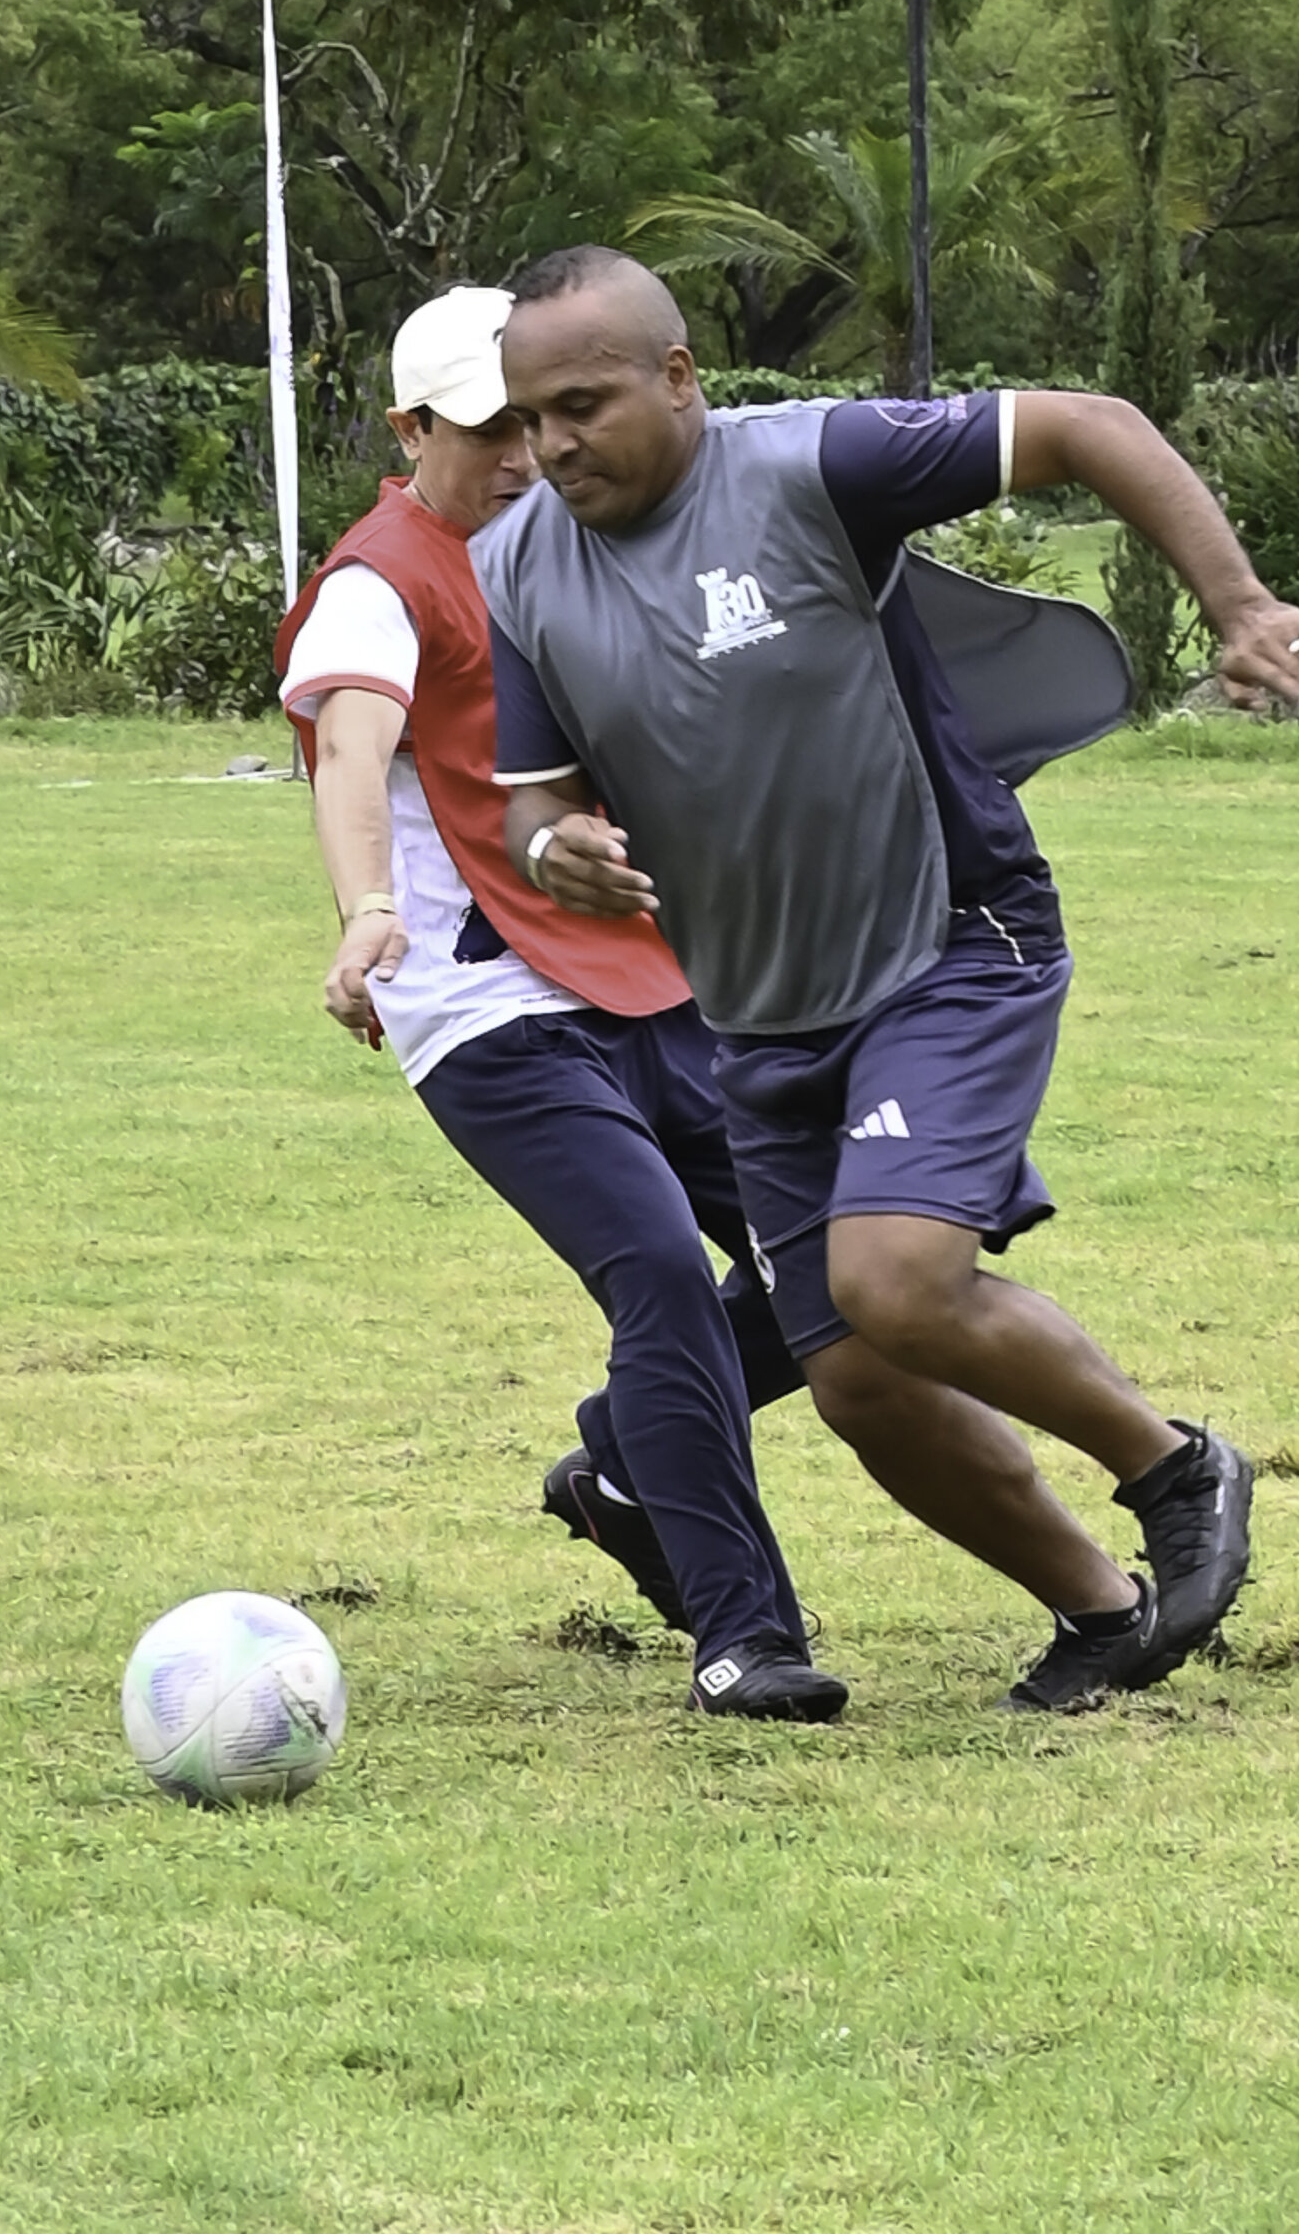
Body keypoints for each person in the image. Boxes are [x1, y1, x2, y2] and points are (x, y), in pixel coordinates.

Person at [477, 246, 1299, 1706]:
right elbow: (535, 795)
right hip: (759, 1016)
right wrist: (553, 844)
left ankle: (1177, 1470)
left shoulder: (811, 466)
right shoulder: (517, 565)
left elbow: (1091, 424)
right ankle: (1100, 1613)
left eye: (582, 405)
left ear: (679, 378)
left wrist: (1237, 604)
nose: (552, 444)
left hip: (947, 939)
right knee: (858, 1380)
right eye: (528, 418)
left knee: (896, 1281)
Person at [273, 285, 846, 1722]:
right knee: (659, 1270)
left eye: (536, 420)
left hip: (653, 974)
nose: (524, 454)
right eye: (487, 429)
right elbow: (353, 752)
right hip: (487, 1010)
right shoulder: (379, 582)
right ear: (409, 430)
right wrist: (366, 905)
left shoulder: (591, 542)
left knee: (845, 1256)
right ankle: (745, 1635)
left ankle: (627, 1463)